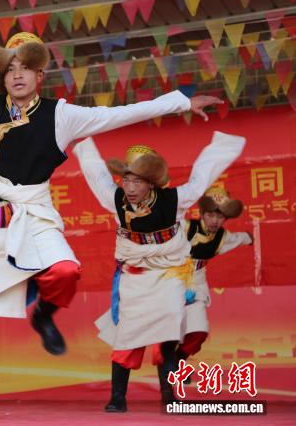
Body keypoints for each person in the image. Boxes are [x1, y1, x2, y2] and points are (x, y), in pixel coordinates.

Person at [0, 31, 223, 422]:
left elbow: (119, 113)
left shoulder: (61, 115)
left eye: (26, 68)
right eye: (10, 68)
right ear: (1, 74)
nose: (17, 75)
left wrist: (182, 102)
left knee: (65, 271)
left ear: (40, 75)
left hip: (32, 216)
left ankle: (43, 314)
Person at [73, 131, 245, 412]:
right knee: (128, 333)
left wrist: (223, 146)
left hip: (168, 272)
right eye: (126, 179)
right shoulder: (115, 198)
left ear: (151, 182)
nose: (130, 187)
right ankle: (118, 397)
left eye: (137, 181)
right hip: (136, 273)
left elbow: (201, 178)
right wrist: (83, 142)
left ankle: (169, 393)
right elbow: (96, 175)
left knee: (169, 329)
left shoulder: (175, 199)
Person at [179, 186, 253, 374]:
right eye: (210, 215)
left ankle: (177, 361)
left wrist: (250, 238)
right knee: (170, 333)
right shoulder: (185, 227)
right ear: (202, 214)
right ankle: (169, 370)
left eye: (220, 217)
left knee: (198, 333)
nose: (215, 221)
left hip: (196, 285)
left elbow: (240, 238)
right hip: (171, 282)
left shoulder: (222, 237)